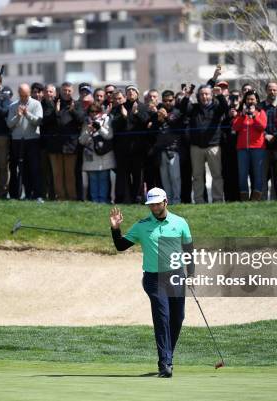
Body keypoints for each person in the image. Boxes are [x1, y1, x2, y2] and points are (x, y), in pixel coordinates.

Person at [110, 187, 194, 378]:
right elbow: (121, 246)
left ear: (166, 202)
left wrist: (191, 274)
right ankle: (165, 362)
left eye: (157, 203)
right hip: (154, 279)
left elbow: (189, 250)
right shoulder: (142, 225)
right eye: (151, 205)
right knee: (162, 317)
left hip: (176, 276)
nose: (154, 207)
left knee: (177, 317)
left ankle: (167, 357)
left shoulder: (180, 223)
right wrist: (116, 229)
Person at [178, 84, 228, 203]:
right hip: (196, 147)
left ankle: (218, 200)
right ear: (198, 96)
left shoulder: (216, 108)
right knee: (197, 177)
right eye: (202, 94)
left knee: (217, 175)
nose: (204, 96)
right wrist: (186, 96)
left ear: (211, 95)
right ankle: (199, 200)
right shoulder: (194, 108)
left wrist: (220, 95)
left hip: (213, 146)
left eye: (207, 94)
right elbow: (183, 109)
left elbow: (225, 108)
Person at [7, 83, 44, 201]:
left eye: (26, 95)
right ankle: (25, 194)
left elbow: (38, 121)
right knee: (21, 169)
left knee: (34, 168)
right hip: (17, 141)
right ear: (18, 94)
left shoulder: (36, 104)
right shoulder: (13, 106)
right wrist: (18, 116)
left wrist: (27, 114)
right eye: (22, 96)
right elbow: (9, 124)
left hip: (32, 140)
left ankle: (37, 194)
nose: (24, 98)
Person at [231, 90, 268, 201]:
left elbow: (262, 127)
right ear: (245, 100)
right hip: (242, 149)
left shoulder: (261, 112)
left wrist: (253, 116)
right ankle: (244, 198)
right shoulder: (240, 113)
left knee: (257, 173)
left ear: (256, 100)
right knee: (242, 174)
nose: (250, 101)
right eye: (248, 99)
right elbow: (235, 127)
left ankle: (256, 198)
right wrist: (242, 116)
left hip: (257, 148)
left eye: (252, 99)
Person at [50, 82, 83, 200]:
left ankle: (72, 197)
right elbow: (47, 121)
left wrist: (73, 110)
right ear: (60, 91)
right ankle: (60, 197)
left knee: (70, 173)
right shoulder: (54, 103)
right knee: (57, 174)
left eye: (69, 91)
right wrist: (56, 112)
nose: (66, 93)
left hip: (70, 145)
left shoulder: (77, 104)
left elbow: (81, 120)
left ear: (72, 91)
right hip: (55, 145)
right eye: (64, 90)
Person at [151, 90, 184, 204]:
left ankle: (176, 200)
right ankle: (168, 202)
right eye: (165, 101)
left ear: (174, 99)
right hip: (161, 150)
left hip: (173, 150)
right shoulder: (159, 112)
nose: (168, 103)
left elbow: (175, 124)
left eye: (170, 100)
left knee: (175, 177)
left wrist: (165, 117)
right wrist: (157, 118)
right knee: (164, 179)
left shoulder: (177, 111)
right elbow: (153, 129)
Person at [79, 103, 114, 203]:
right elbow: (81, 141)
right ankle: (95, 201)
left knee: (103, 179)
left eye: (96, 111)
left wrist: (99, 128)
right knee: (93, 180)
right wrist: (88, 131)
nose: (94, 114)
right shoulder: (86, 122)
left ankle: (103, 200)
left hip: (104, 156)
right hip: (90, 156)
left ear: (100, 112)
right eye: (91, 111)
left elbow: (109, 135)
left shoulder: (106, 119)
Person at [259, 82, 277, 200]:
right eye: (270, 89)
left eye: (274, 90)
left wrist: (275, 136)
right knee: (263, 175)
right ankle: (263, 198)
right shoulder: (260, 106)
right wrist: (265, 135)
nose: (272, 92)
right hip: (264, 145)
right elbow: (256, 125)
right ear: (266, 90)